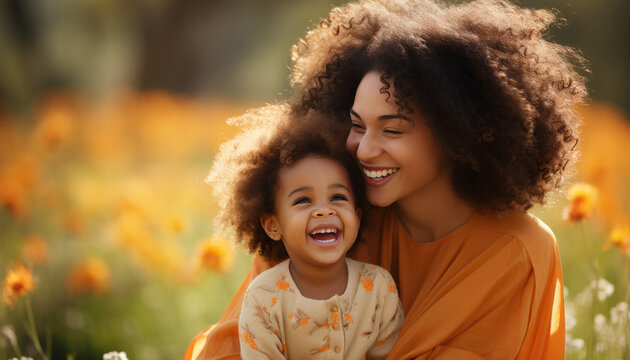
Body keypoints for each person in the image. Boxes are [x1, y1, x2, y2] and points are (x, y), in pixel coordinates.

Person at [184, 0, 587, 359]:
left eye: (392, 131)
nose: (362, 149)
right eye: (357, 125)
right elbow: (232, 348)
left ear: (457, 136)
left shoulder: (516, 253)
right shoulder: (319, 210)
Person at [203, 104, 404, 359]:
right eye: (303, 201)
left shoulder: (378, 287)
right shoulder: (263, 297)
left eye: (338, 197)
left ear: (357, 214)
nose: (323, 211)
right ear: (273, 225)